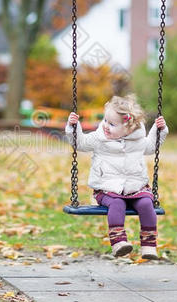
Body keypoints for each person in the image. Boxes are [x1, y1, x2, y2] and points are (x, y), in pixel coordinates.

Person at [65, 94, 168, 259]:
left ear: (128, 128)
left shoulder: (138, 141)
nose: (105, 125)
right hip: (107, 189)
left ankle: (149, 245)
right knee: (117, 203)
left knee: (147, 204)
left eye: (112, 124)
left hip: (135, 188)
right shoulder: (99, 138)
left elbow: (151, 147)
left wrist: (159, 130)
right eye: (105, 120)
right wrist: (73, 127)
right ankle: (118, 242)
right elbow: (81, 143)